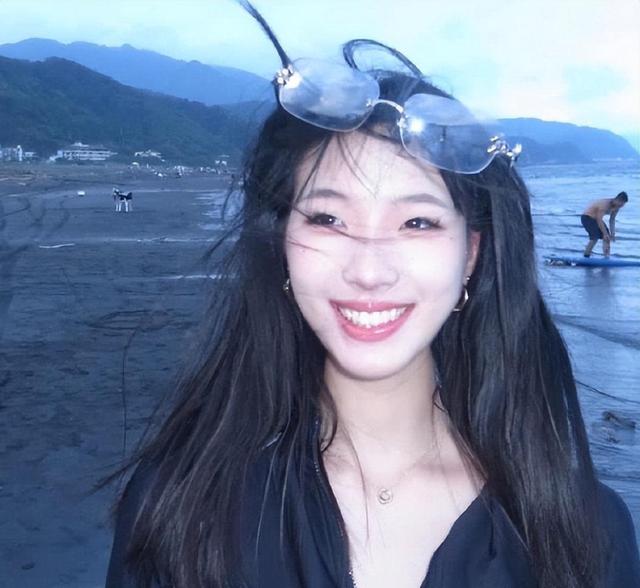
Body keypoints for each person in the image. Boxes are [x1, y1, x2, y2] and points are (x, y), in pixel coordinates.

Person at [105, 3, 640, 588]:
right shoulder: (184, 507)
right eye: (328, 218)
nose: (368, 271)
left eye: (417, 222)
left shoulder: (583, 532)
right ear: (281, 243)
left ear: (470, 254)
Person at [581, 191, 628, 257]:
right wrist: (605, 234)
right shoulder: (605, 204)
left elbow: (612, 220)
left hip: (595, 219)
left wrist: (612, 233)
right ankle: (586, 255)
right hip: (587, 217)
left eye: (623, 205)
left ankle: (606, 257)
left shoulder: (617, 207)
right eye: (621, 204)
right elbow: (599, 219)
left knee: (607, 237)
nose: (621, 206)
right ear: (617, 200)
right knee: (595, 237)